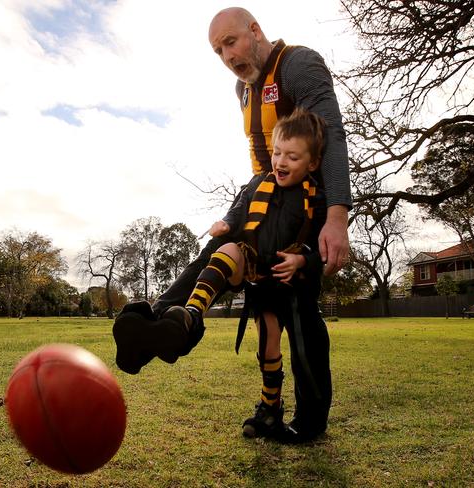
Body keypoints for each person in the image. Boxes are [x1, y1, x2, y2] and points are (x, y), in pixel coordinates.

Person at [113, 7, 352, 442]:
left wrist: (336, 215)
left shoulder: (298, 64)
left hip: (304, 212)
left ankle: (310, 420)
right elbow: (262, 162)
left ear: (255, 31)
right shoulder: (242, 90)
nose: (226, 55)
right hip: (265, 196)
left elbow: (331, 134)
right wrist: (238, 212)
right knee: (216, 251)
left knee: (298, 317)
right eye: (218, 49)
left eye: (231, 42)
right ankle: (161, 323)